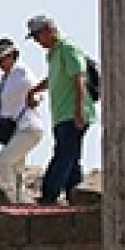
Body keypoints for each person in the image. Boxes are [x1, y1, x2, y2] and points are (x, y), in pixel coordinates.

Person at [26, 14, 96, 205]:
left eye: (37, 36)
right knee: (71, 157)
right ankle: (77, 194)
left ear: (48, 31)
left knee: (64, 154)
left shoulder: (67, 48)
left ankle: (49, 194)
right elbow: (54, 79)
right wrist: (34, 90)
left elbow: (79, 77)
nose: (37, 41)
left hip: (72, 112)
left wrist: (79, 109)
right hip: (61, 114)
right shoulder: (53, 54)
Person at [0, 37, 46, 204]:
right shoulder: (3, 81)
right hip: (14, 129)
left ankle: (10, 199)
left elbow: (36, 91)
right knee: (16, 168)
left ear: (12, 55)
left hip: (28, 127)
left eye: (2, 58)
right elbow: (2, 110)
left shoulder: (21, 72)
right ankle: (20, 202)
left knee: (2, 162)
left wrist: (36, 98)